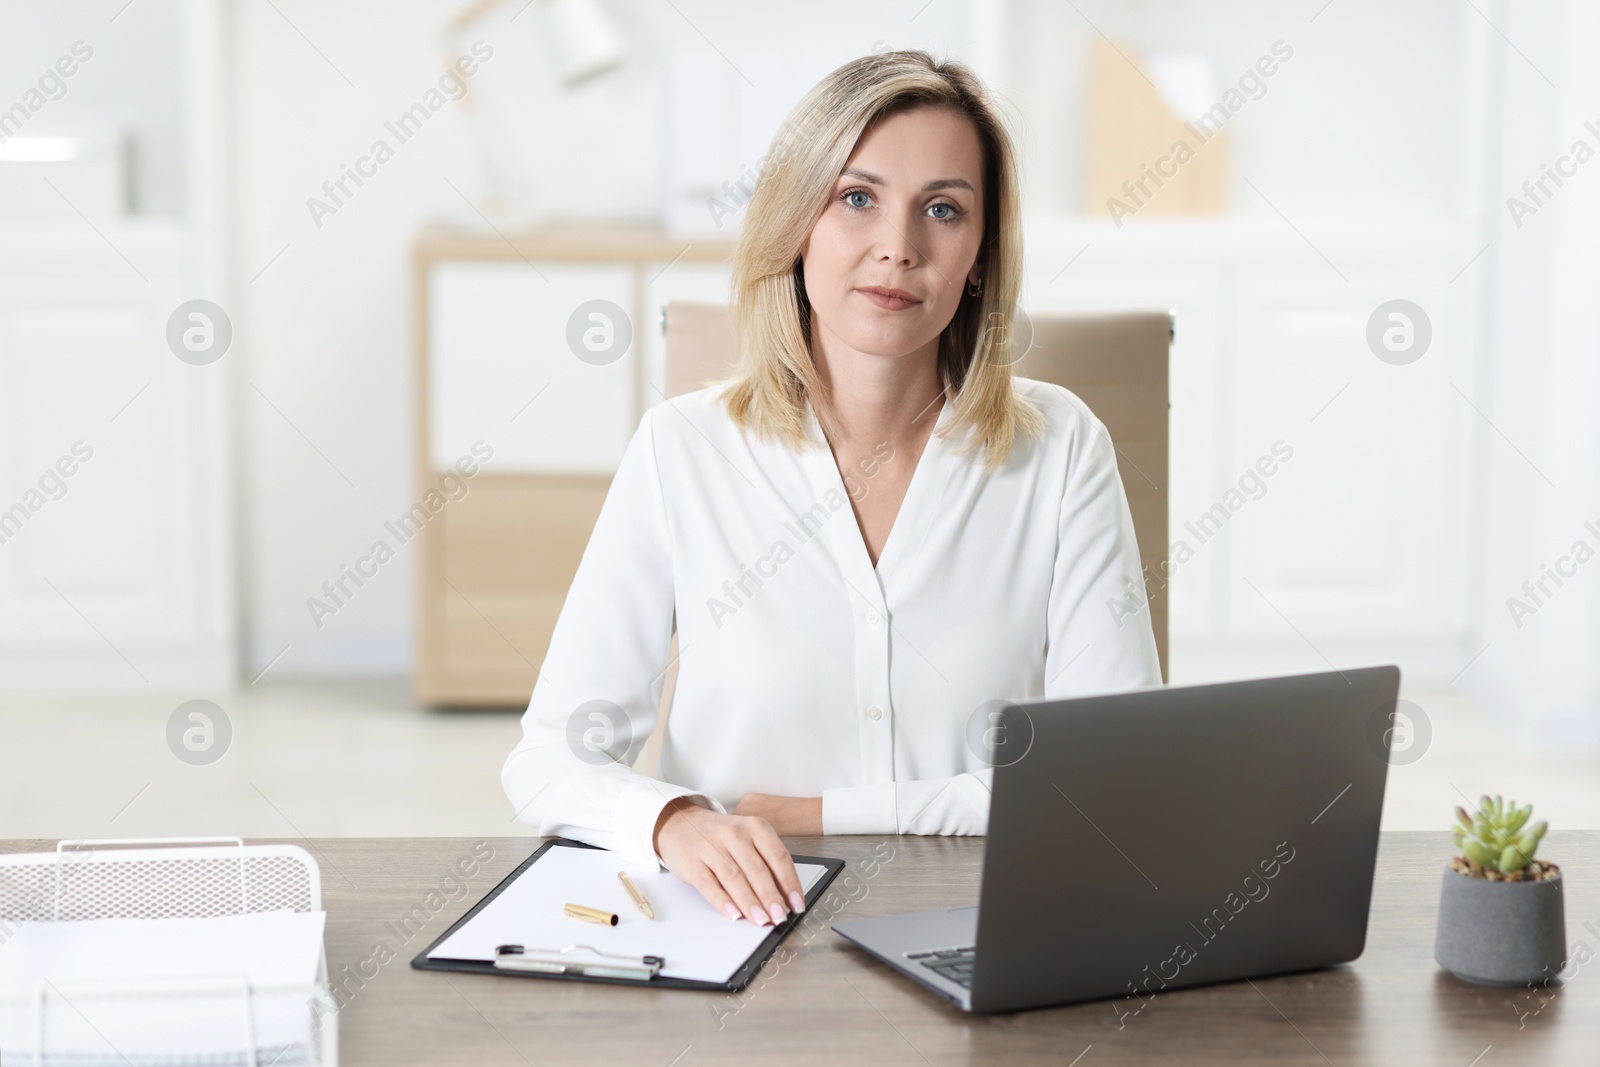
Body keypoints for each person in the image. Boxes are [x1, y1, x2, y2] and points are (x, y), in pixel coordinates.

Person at [502, 50, 1160, 929]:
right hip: (743, 926)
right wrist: (674, 819)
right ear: (795, 223)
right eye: (857, 198)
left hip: (982, 928)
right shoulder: (681, 451)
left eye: (943, 208)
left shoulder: (1062, 448)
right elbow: (549, 758)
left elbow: (1114, 782)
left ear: (979, 256)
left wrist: (812, 817)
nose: (898, 245)